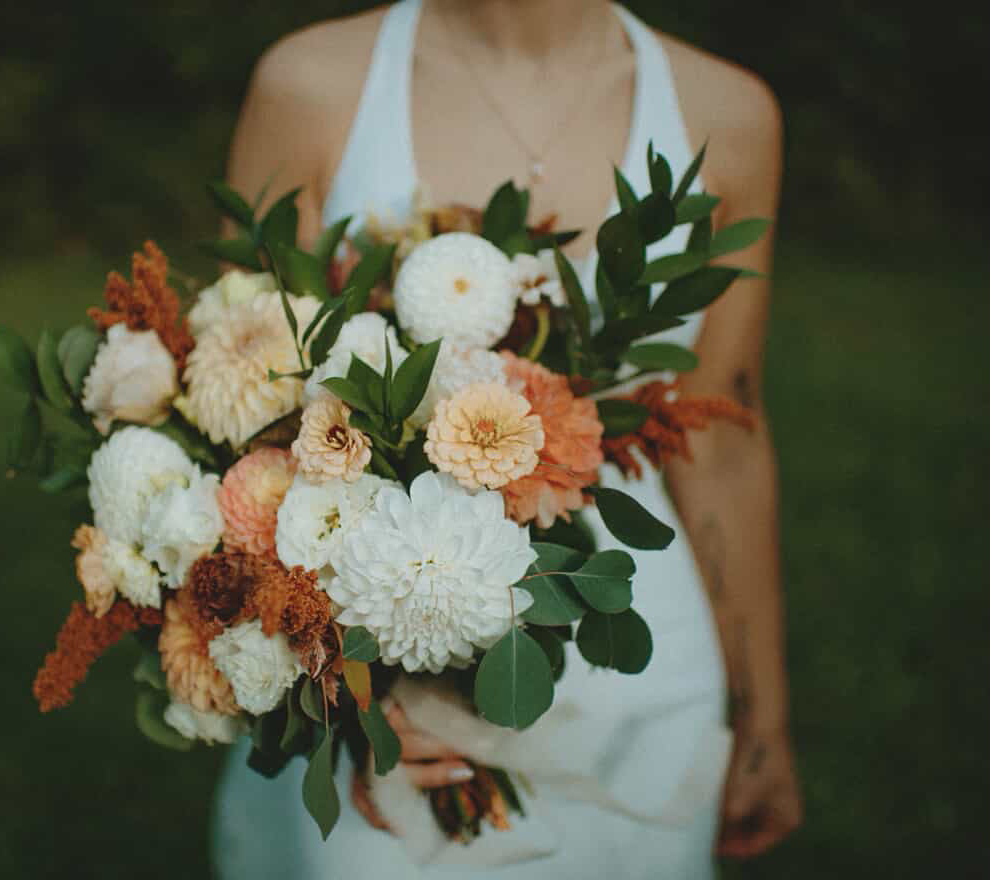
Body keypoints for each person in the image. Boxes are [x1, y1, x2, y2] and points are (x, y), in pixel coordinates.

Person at [212, 1, 801, 876]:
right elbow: (230, 417)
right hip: (383, 671)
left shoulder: (728, 114)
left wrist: (765, 714)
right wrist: (338, 688)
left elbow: (719, 435)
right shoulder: (312, 86)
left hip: (638, 656)